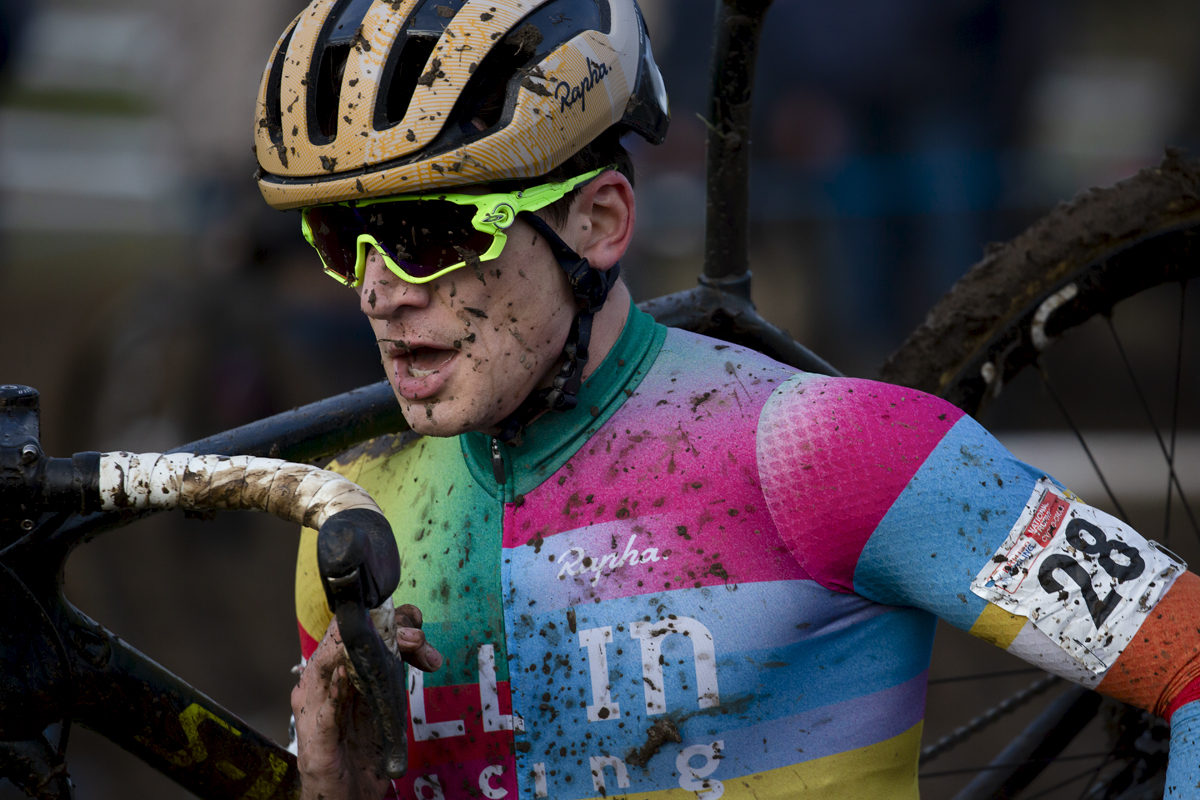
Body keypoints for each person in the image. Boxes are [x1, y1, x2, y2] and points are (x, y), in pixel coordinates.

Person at [254, 1, 1200, 797]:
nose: (380, 292)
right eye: (344, 241)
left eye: (427, 236)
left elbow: (1193, 660)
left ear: (599, 223)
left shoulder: (827, 449)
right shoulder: (350, 525)